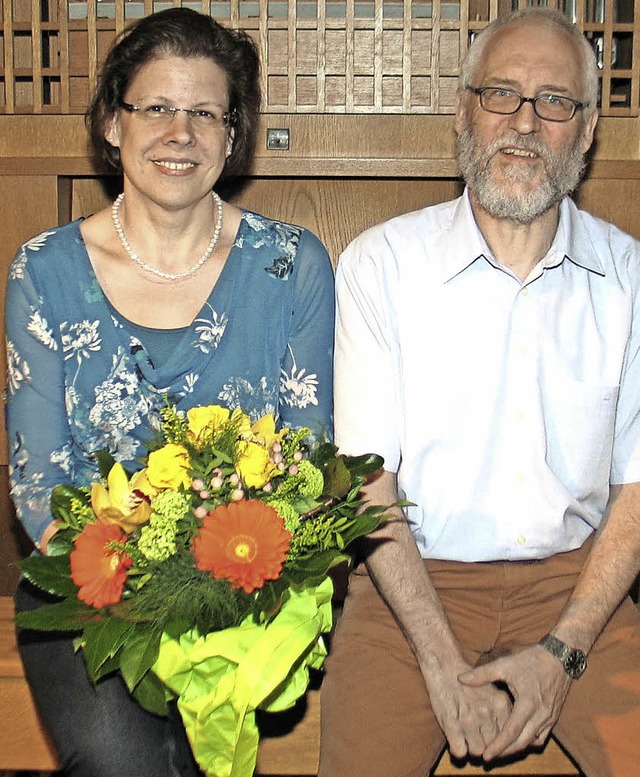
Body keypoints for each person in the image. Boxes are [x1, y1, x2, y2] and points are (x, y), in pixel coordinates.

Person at [6, 8, 334, 777]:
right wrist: (144, 586)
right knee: (127, 761)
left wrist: (222, 585)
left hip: (247, 584)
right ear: (112, 124)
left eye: (204, 112)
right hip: (90, 588)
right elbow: (40, 489)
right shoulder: (42, 271)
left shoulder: (291, 265)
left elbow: (307, 459)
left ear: (232, 134)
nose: (178, 132)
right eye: (155, 107)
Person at [320, 8, 640, 777]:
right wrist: (436, 662)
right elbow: (369, 485)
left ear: (588, 128)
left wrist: (564, 648)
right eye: (501, 94)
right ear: (464, 109)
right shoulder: (382, 266)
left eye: (554, 101)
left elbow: (638, 487)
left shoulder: (629, 279)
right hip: (412, 582)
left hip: (578, 578)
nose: (524, 122)